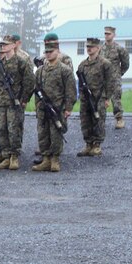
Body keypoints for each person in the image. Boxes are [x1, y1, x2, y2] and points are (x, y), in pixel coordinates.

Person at [31, 38, 76, 173]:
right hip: (43, 108)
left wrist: (68, 108)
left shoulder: (65, 70)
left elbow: (71, 90)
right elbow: (37, 91)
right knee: (43, 133)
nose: (48, 54)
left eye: (51, 51)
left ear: (57, 51)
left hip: (58, 107)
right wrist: (38, 106)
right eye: (46, 52)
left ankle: (55, 159)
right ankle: (46, 159)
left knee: (56, 133)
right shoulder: (40, 71)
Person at [0, 37, 34, 170]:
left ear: (13, 46)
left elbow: (29, 82)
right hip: (2, 102)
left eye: (6, 44)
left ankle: (14, 156)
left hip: (14, 102)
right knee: (2, 129)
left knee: (14, 129)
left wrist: (24, 99)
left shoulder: (21, 62)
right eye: (2, 44)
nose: (3, 46)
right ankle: (5, 156)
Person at [75, 37, 115, 157]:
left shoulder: (105, 64)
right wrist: (82, 97)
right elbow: (80, 84)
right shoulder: (82, 65)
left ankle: (97, 145)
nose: (89, 49)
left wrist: (107, 98)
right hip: (86, 99)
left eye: (91, 47)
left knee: (98, 120)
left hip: (99, 97)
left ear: (98, 48)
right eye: (87, 47)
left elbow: (110, 82)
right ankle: (88, 144)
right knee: (85, 121)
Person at [102, 25, 130, 129]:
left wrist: (119, 73)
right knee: (101, 99)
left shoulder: (119, 49)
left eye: (108, 34)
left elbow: (126, 63)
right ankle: (100, 120)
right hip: (103, 79)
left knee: (116, 99)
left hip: (114, 79)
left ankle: (119, 119)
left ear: (114, 35)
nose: (106, 36)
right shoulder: (101, 48)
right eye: (105, 33)